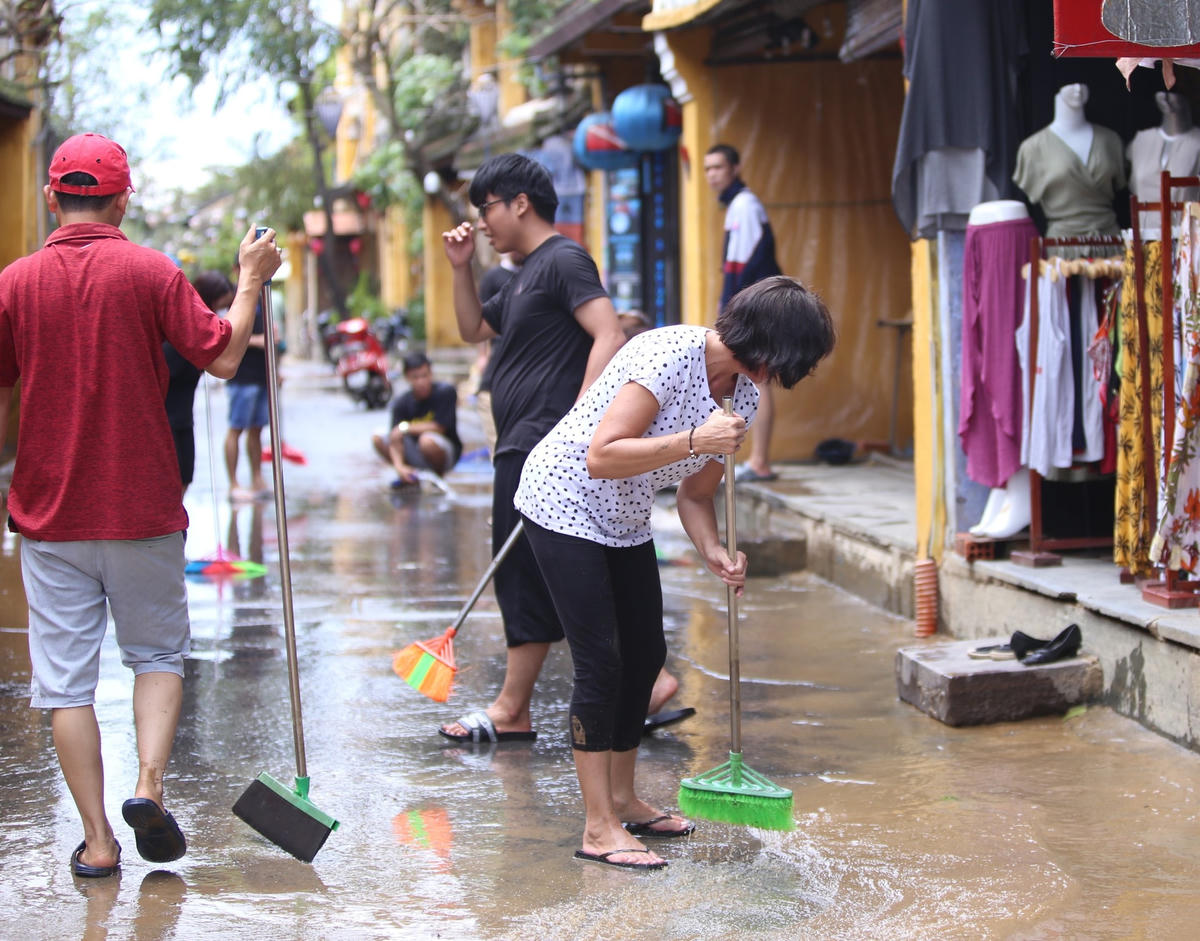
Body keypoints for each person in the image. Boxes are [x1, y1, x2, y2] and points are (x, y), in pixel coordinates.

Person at [0, 132, 280, 878]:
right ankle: (148, 785)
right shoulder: (153, 271)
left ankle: (98, 841)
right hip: (143, 506)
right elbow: (225, 356)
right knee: (156, 656)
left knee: (66, 685)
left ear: (52, 198)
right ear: (123, 201)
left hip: (49, 513)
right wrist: (251, 278)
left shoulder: (15, 283)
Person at [514, 276, 836, 869]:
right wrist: (694, 438)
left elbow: (695, 494)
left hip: (625, 514)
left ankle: (623, 798)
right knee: (601, 661)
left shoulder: (742, 396)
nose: (781, 377)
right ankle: (598, 827)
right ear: (766, 343)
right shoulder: (666, 355)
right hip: (563, 500)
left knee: (644, 654)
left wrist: (714, 549)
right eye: (788, 361)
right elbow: (602, 454)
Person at [437, 152, 628, 745]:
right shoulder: (524, 273)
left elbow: (609, 332)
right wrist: (461, 269)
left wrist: (581, 422)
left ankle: (511, 708)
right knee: (542, 572)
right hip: (523, 441)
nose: (482, 222)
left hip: (542, 441)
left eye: (487, 207)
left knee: (523, 574)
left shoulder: (563, 259)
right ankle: (648, 684)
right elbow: (473, 329)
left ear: (520, 203)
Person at [704, 143, 782, 482]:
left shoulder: (745, 206)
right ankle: (755, 460)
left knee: (758, 380)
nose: (712, 175)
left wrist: (730, 312)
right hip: (752, 308)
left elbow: (743, 268)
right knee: (753, 380)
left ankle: (760, 461)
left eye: (718, 167)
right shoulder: (737, 205)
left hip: (758, 310)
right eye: (707, 169)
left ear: (735, 169)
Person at [164, 271, 235, 494]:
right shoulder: (178, 339)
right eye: (219, 307)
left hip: (184, 420)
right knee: (173, 486)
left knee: (185, 479)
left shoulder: (199, 335)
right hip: (167, 423)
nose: (219, 313)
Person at [372, 351, 462, 486]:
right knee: (378, 437)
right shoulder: (401, 402)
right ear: (407, 377)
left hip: (444, 452)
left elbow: (440, 427)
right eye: (415, 377)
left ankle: (438, 477)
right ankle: (408, 475)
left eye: (424, 376)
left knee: (426, 441)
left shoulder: (445, 392)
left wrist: (405, 427)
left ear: (431, 374)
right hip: (414, 452)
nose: (421, 382)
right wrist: (399, 466)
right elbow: (395, 437)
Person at [223, 254, 272, 502]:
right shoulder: (234, 298)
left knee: (256, 431)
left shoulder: (262, 296)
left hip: (262, 375)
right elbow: (226, 333)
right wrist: (257, 341)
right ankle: (233, 483)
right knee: (236, 429)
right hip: (241, 377)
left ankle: (257, 478)